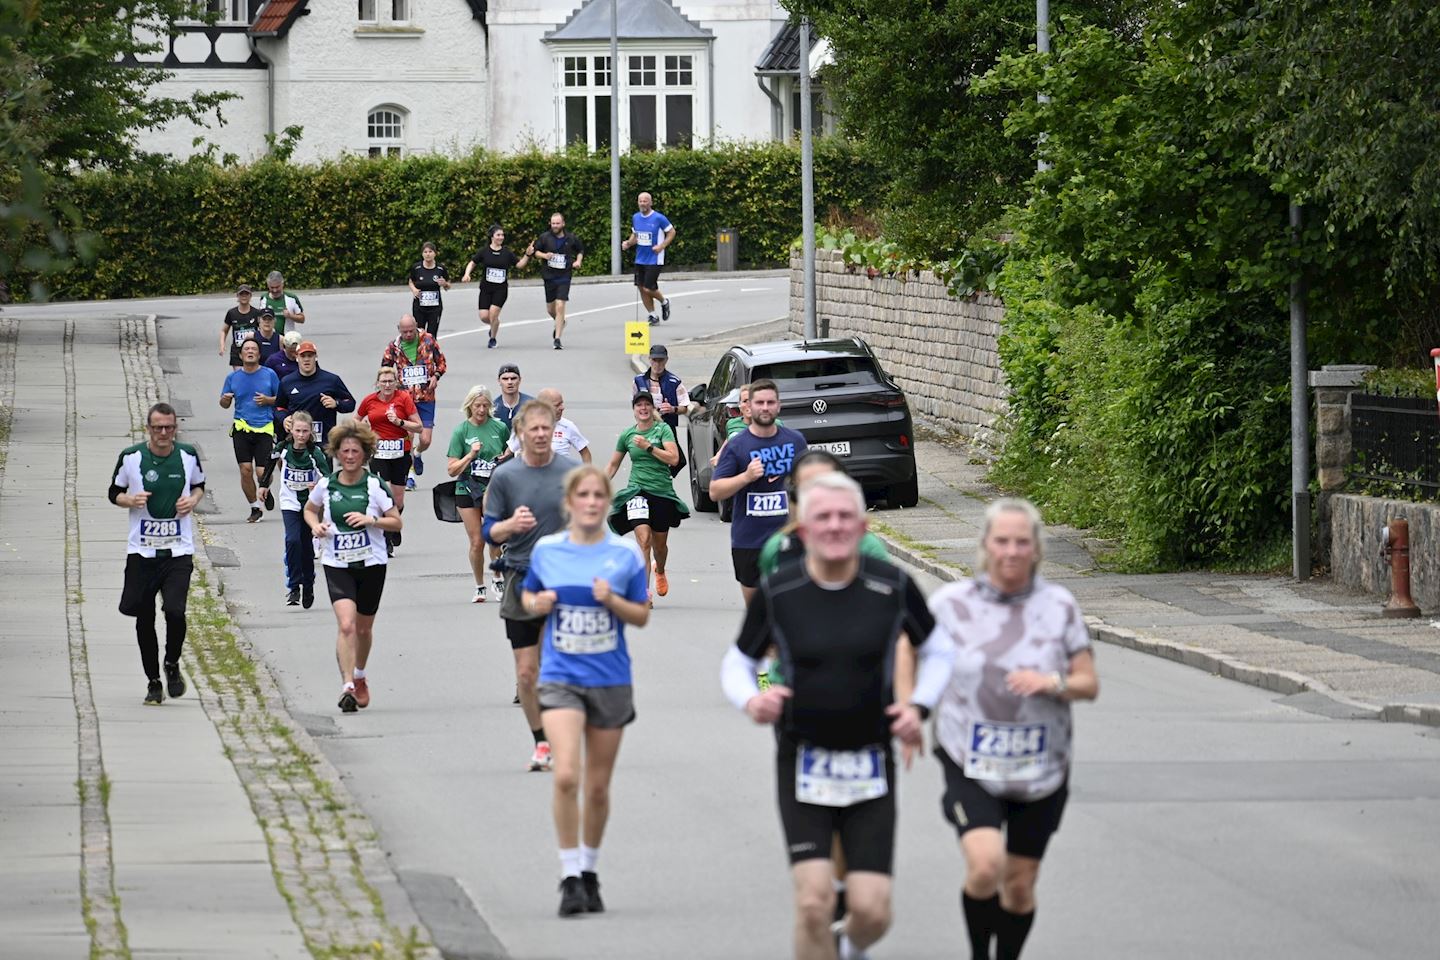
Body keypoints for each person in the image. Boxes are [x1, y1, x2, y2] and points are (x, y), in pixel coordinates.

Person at [720, 472, 955, 960]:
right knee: (813, 903)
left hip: (871, 762)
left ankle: (848, 948)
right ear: (802, 528)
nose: (834, 525)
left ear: (863, 527)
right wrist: (751, 699)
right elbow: (738, 661)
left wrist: (919, 706)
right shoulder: (780, 590)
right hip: (802, 758)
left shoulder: (892, 586)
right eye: (821, 516)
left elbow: (940, 651)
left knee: (871, 912)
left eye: (845, 516)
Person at [929, 499, 1099, 960]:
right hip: (970, 756)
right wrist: (909, 707)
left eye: (1021, 542)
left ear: (1037, 549)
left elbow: (1088, 683)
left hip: (1040, 764)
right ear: (985, 546)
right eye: (1001, 541)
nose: (1011, 551)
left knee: (1020, 886)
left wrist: (1052, 682)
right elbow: (911, 658)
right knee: (985, 866)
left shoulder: (1059, 606)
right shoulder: (950, 606)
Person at [522, 465, 651, 917]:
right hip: (560, 677)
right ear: (571, 503)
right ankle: (569, 875)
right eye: (584, 495)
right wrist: (537, 604)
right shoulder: (548, 551)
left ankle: (590, 871)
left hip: (610, 679)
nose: (592, 502)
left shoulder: (625, 554)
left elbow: (641, 615)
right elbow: (528, 596)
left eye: (599, 495)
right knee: (566, 775)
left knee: (596, 788)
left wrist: (612, 601)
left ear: (606, 502)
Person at [483, 399, 578, 771]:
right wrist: (509, 527)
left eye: (545, 428)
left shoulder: (571, 473)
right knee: (526, 672)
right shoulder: (506, 477)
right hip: (520, 577)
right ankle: (541, 741)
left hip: (564, 581)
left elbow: (591, 520)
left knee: (560, 665)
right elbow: (489, 529)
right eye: (532, 429)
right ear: (519, 434)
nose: (539, 434)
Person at [109, 402, 206, 705]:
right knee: (144, 617)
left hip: (178, 550)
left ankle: (172, 663)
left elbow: (199, 485)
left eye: (169, 427)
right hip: (142, 552)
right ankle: (153, 681)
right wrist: (130, 500)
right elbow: (113, 492)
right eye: (158, 428)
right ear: (148, 429)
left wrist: (193, 500)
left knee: (175, 610)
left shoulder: (188, 455)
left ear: (176, 428)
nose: (164, 433)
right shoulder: (131, 457)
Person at [304, 420, 402, 714]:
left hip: (371, 563)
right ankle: (347, 685)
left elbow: (396, 521)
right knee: (346, 625)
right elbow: (309, 509)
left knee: (363, 629)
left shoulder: (374, 486)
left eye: (355, 451)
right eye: (344, 451)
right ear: (336, 452)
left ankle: (359, 675)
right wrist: (316, 526)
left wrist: (372, 521)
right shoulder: (326, 485)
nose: (349, 456)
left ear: (365, 454)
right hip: (336, 562)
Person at [709, 378, 808, 604]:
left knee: (788, 610)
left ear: (778, 405)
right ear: (749, 407)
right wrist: (746, 477)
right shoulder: (737, 445)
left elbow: (810, 484)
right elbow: (715, 491)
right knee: (758, 614)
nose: (765, 408)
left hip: (789, 538)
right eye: (760, 402)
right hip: (749, 541)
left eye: (770, 402)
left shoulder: (795, 441)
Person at [605, 393, 688, 602]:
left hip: (661, 491)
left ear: (652, 409)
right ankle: (643, 593)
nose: (643, 408)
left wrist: (649, 447)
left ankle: (660, 570)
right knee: (644, 541)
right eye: (639, 405)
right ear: (634, 409)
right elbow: (613, 464)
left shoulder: (663, 430)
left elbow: (674, 458)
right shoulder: (628, 435)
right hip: (636, 491)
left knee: (660, 546)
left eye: (647, 405)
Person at [759, 450, 889, 577]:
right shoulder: (777, 549)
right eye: (808, 487)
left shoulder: (868, 547)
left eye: (828, 485)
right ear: (795, 495)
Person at [257, 410, 330, 608]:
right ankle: (294, 587)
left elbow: (327, 475)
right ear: (291, 430)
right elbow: (269, 464)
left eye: (305, 431)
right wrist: (263, 485)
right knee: (292, 540)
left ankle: (308, 584)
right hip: (289, 501)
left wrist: (318, 486)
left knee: (306, 546)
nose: (300, 435)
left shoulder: (315, 452)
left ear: (311, 432)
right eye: (298, 430)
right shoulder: (283, 447)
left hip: (309, 505)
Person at [446, 385, 511, 603]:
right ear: (469, 406)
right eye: (477, 405)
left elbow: (510, 453)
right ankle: (479, 585)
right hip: (466, 487)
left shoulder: (500, 428)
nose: (481, 410)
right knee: (476, 541)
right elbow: (451, 468)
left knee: (494, 536)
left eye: (485, 405)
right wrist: (470, 456)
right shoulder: (461, 431)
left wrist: (504, 459)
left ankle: (497, 577)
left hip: (493, 488)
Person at [354, 367, 421, 556]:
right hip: (379, 454)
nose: (387, 385)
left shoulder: (404, 399)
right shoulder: (369, 400)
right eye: (383, 381)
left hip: (400, 452)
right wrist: (366, 429)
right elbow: (355, 421)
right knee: (382, 495)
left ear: (396, 382)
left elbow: (418, 426)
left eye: (391, 381)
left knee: (398, 500)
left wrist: (400, 422)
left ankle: (394, 525)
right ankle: (386, 540)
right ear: (378, 383)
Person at [379, 314, 447, 489]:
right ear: (399, 330)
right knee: (407, 437)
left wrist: (436, 376)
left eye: (411, 331)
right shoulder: (394, 347)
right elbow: (385, 368)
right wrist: (390, 385)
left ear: (416, 327)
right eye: (405, 332)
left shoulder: (429, 340)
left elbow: (441, 363)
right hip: (404, 398)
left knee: (425, 439)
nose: (408, 335)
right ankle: (409, 476)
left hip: (426, 397)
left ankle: (418, 453)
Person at [219, 338, 280, 523]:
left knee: (262, 473)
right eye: (247, 349)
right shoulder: (233, 378)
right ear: (241, 355)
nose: (250, 351)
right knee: (245, 470)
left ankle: (264, 488)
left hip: (264, 428)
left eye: (254, 349)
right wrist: (226, 400)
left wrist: (268, 401)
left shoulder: (269, 374)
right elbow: (223, 403)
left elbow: (281, 399)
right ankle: (255, 507)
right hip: (241, 427)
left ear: (259, 354)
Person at [461, 224, 531, 350]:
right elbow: (472, 263)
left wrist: (527, 255)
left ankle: (492, 338)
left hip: (501, 289)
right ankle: (495, 324)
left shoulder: (506, 253)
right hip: (486, 289)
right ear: (492, 237)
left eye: (502, 235)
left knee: (493, 313)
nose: (501, 237)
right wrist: (467, 274)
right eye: (498, 235)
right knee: (484, 316)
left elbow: (520, 265)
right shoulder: (484, 251)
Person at [278, 341, 355, 445]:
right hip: (297, 440)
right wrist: (284, 419)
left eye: (310, 356)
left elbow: (351, 403)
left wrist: (336, 403)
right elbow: (279, 407)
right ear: (297, 357)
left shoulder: (331, 380)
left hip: (324, 440)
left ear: (316, 357)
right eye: (303, 356)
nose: (306, 359)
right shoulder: (287, 382)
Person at [632, 344, 690, 477]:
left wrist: (673, 409)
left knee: (678, 460)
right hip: (646, 426)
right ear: (649, 360)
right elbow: (634, 403)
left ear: (666, 360)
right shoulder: (639, 380)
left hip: (667, 427)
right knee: (648, 458)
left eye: (661, 360)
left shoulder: (674, 381)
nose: (657, 364)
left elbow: (685, 406)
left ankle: (664, 478)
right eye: (654, 360)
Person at [530, 212, 584, 350]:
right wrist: (544, 255)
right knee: (550, 309)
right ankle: (561, 321)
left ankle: (557, 339)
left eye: (557, 223)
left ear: (563, 224)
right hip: (549, 276)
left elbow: (580, 250)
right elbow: (535, 252)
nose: (555, 226)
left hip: (564, 276)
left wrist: (578, 261)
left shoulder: (570, 238)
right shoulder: (545, 237)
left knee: (560, 305)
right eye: (553, 223)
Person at [620, 192, 675, 326]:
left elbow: (672, 232)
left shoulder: (658, 218)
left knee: (648, 288)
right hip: (640, 259)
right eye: (640, 201)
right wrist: (628, 243)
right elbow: (635, 235)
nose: (643, 204)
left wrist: (662, 246)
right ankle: (652, 315)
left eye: (645, 201)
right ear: (638, 202)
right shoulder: (636, 217)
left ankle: (664, 301)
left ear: (650, 203)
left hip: (655, 258)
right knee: (640, 287)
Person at [505, 388, 591, 464]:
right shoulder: (525, 426)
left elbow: (585, 453)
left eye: (562, 403)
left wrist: (586, 475)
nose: (562, 407)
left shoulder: (568, 426)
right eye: (557, 405)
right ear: (544, 406)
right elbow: (509, 451)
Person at [408, 241, 451, 337]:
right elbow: (411, 281)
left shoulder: (440, 268)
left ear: (435, 253)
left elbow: (448, 285)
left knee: (431, 334)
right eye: (425, 252)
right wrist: (414, 290)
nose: (428, 254)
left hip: (435, 307)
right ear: (422, 254)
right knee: (419, 333)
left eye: (430, 251)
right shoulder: (416, 268)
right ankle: (420, 352)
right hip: (419, 306)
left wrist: (444, 284)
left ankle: (431, 351)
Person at [219, 283, 263, 368]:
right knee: (240, 377)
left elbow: (262, 330)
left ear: (250, 296)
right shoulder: (231, 313)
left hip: (252, 351)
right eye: (241, 294)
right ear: (237, 296)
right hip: (237, 351)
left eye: (246, 294)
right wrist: (222, 345)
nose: (244, 296)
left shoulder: (256, 313)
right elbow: (224, 330)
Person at [259, 270, 305, 335]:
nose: (275, 290)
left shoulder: (291, 298)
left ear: (282, 284)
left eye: (277, 287)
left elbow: (302, 319)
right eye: (272, 287)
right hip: (269, 337)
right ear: (268, 285)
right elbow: (260, 318)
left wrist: (290, 316)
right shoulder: (264, 298)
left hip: (287, 338)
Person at [494, 362, 534, 430]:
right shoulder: (493, 408)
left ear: (520, 380)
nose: (509, 382)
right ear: (499, 381)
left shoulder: (531, 405)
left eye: (513, 378)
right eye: (505, 379)